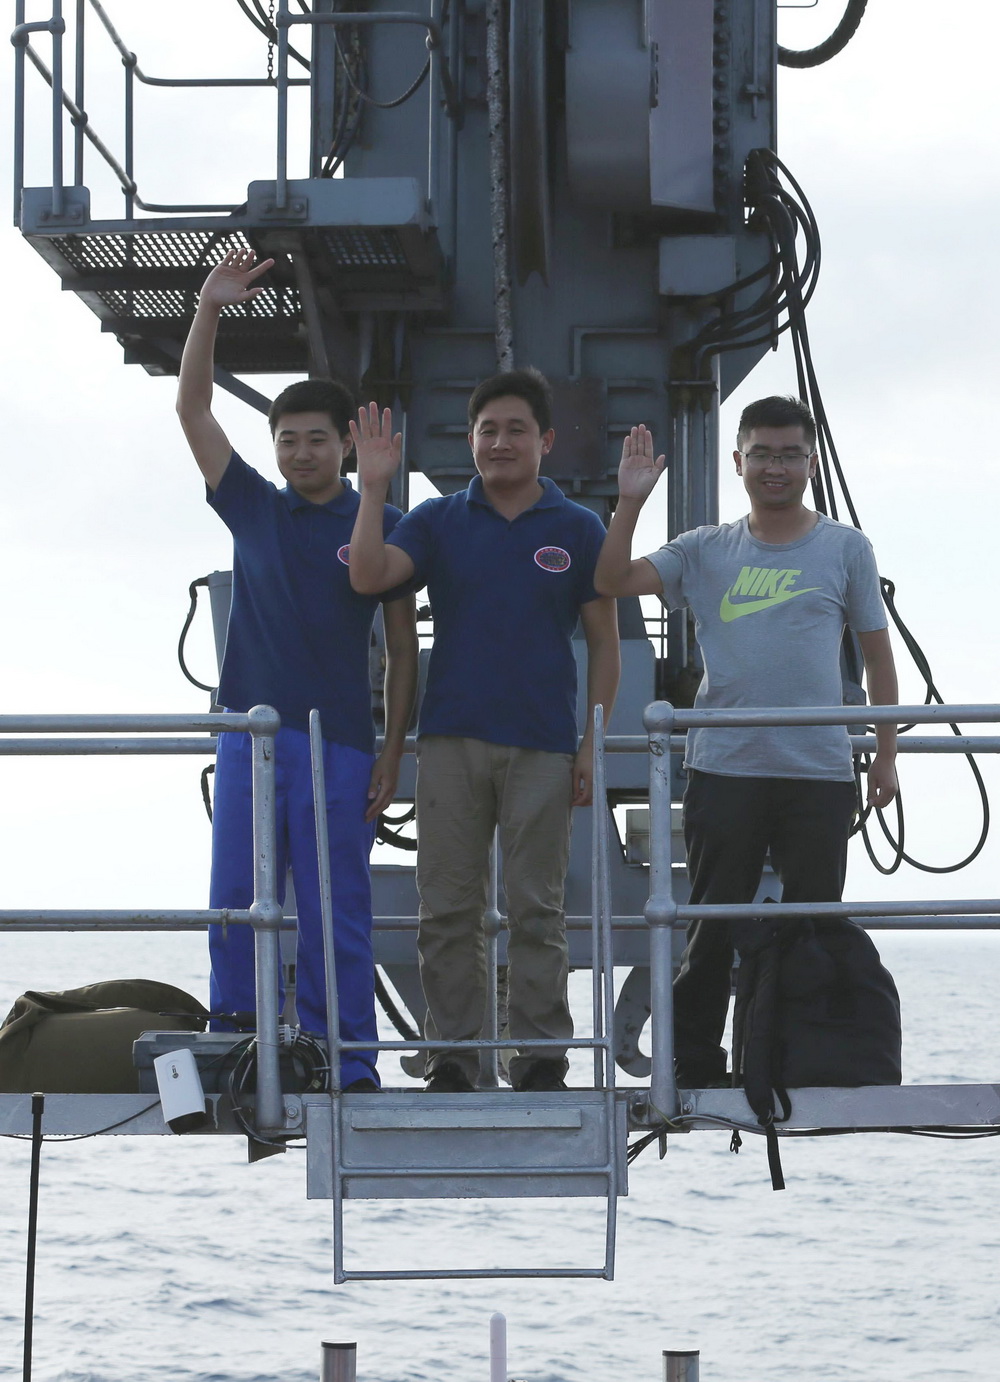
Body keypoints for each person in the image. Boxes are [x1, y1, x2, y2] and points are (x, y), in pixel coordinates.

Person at [594, 395, 898, 1086]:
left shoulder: (846, 548)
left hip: (819, 771)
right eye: (761, 452)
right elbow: (611, 580)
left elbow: (878, 659)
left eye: (790, 453)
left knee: (813, 929)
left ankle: (797, 1059)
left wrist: (884, 753)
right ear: (738, 461)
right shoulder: (705, 549)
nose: (775, 466)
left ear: (810, 463)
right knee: (709, 926)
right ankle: (698, 1063)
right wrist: (631, 502)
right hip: (724, 770)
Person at [175, 247, 418, 1092]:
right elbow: (194, 408)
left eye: (317, 439)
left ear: (348, 444)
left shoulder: (378, 520)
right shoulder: (252, 505)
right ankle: (236, 1041)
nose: (300, 452)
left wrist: (392, 750)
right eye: (288, 439)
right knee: (238, 899)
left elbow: (403, 642)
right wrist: (209, 309)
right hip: (250, 733)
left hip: (340, 740)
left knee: (334, 907)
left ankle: (344, 1058)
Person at [347, 368, 621, 1092]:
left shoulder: (577, 527)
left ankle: (537, 1056)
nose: (501, 442)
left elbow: (605, 643)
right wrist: (373, 488)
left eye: (517, 429)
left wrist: (592, 743)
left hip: (543, 745)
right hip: (451, 740)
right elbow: (369, 576)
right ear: (469, 440)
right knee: (448, 909)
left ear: (546, 441)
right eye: (488, 430)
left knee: (538, 908)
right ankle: (456, 1058)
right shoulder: (438, 519)